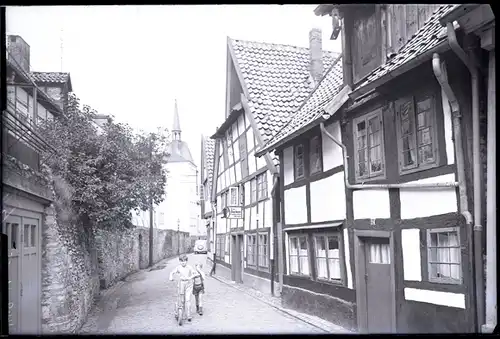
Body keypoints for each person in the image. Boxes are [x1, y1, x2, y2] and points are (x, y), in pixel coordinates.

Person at [169, 254, 197, 322]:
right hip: (181, 284)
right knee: (182, 300)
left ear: (187, 261)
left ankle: (188, 315)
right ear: (179, 261)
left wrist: (190, 277)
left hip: (188, 284)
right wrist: (171, 276)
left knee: (187, 300)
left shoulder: (189, 267)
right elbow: (172, 272)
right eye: (181, 261)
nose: (183, 262)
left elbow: (195, 273)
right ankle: (182, 314)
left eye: (184, 261)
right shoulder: (178, 267)